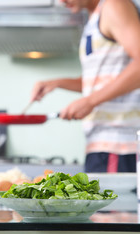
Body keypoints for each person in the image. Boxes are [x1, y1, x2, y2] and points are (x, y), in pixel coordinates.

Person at [30, 0, 140, 173]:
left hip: (120, 145)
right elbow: (102, 81)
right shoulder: (94, 18)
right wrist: (57, 83)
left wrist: (90, 101)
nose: (61, 1)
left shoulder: (114, 5)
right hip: (101, 147)